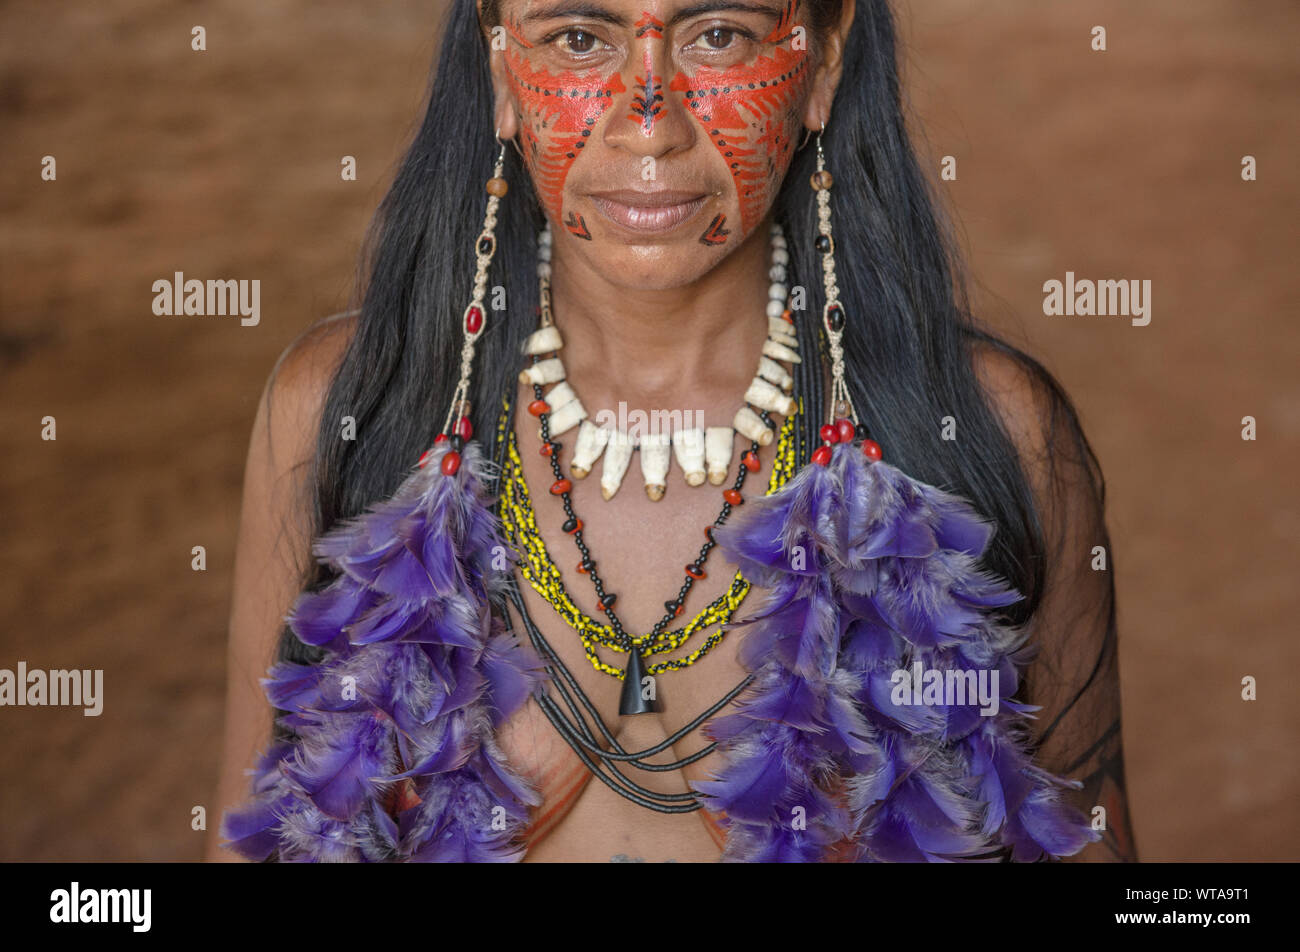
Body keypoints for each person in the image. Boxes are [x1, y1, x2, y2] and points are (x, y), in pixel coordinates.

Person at [206, 0, 1135, 862]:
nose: (649, 122)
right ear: (496, 63)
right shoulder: (342, 407)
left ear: (823, 62)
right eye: (578, 37)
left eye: (719, 33)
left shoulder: (990, 431)